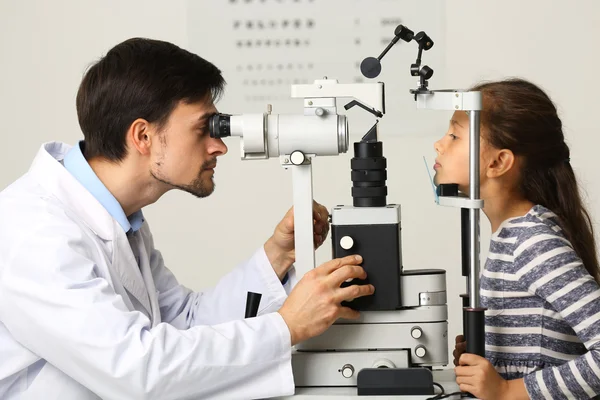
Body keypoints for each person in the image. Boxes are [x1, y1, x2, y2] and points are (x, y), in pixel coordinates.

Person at [0, 38, 375, 399]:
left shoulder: (119, 219)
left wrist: (277, 256)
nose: (220, 146)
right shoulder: (34, 232)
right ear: (143, 136)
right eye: (204, 128)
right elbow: (137, 369)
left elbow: (184, 322)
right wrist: (286, 327)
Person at [434, 78, 600, 399]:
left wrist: (507, 390)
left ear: (498, 162)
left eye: (454, 135)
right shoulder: (510, 235)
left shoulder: (532, 241)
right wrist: (492, 356)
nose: (439, 144)